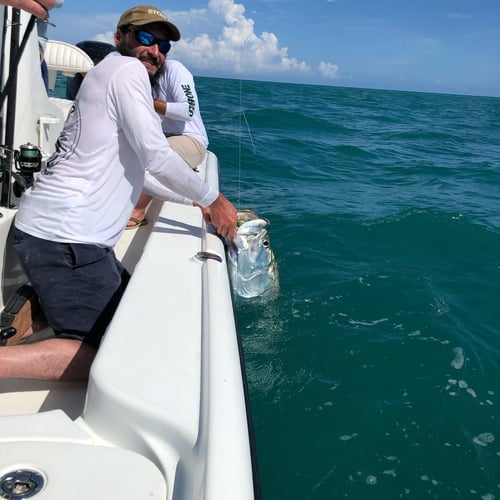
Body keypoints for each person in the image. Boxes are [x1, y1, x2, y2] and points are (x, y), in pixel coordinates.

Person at [0, 5, 237, 381]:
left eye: (163, 45)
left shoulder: (108, 72)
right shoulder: (127, 71)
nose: (155, 50)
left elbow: (137, 170)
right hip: (66, 240)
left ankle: (41, 304)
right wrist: (214, 199)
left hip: (63, 237)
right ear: (119, 37)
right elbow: (157, 155)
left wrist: (190, 199)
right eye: (145, 38)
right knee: (113, 355)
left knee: (134, 310)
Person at [127, 57, 208, 229]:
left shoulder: (174, 69)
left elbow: (189, 110)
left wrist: (144, 101)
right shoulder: (133, 74)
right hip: (159, 137)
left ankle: (138, 211)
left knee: (153, 159)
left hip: (190, 139)